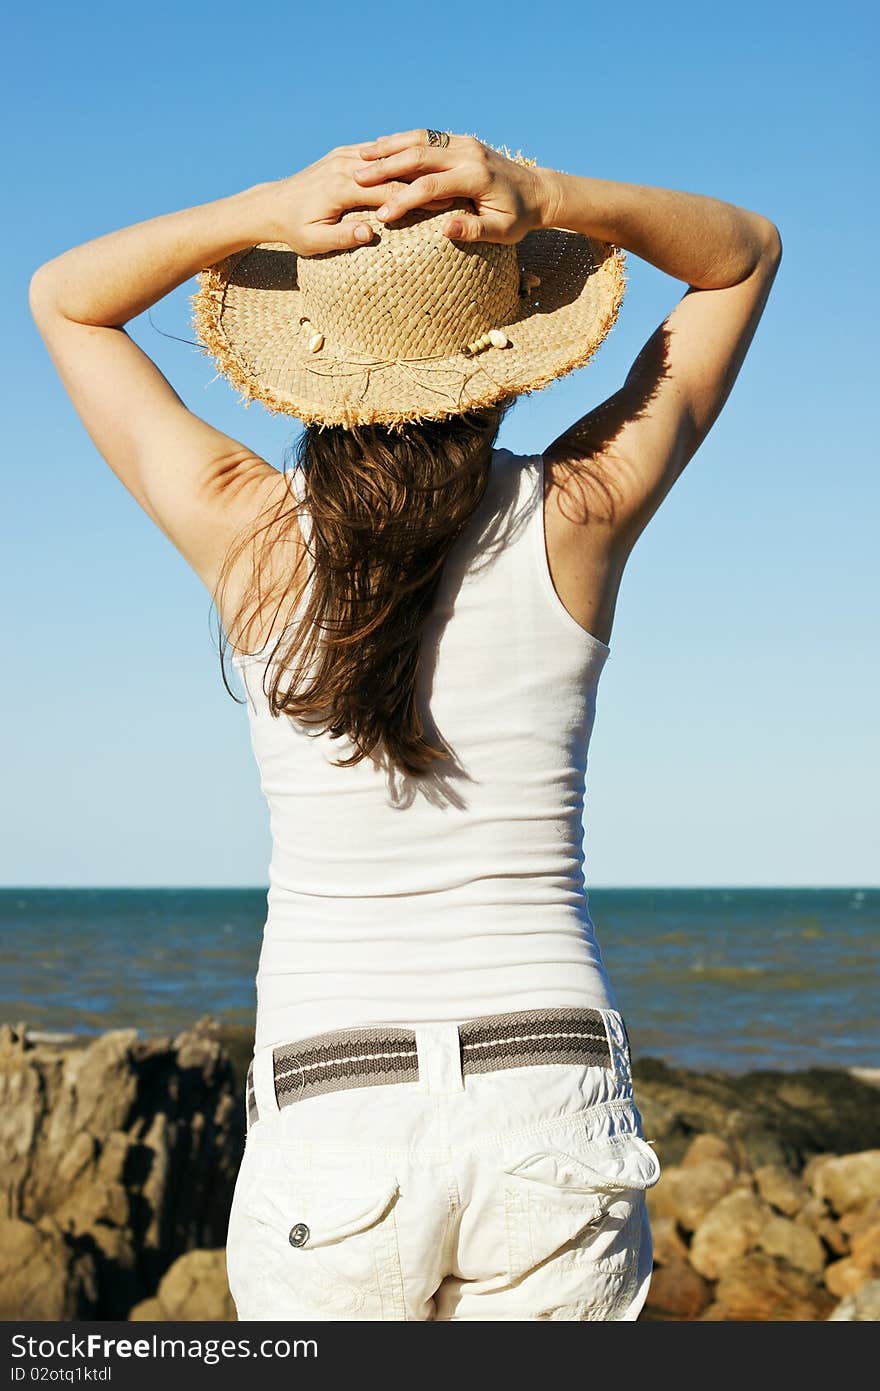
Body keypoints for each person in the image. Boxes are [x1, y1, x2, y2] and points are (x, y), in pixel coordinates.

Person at [29, 127, 782, 1321]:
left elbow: (64, 300)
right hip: (550, 1074)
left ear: (311, 362)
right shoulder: (576, 513)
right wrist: (552, 193)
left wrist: (268, 207)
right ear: (506, 352)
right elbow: (742, 257)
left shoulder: (249, 535)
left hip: (338, 1092)